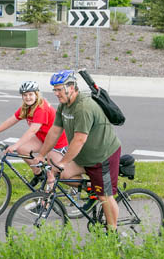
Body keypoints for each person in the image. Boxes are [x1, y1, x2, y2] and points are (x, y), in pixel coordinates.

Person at [36, 70, 122, 230]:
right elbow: (55, 131)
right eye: (54, 89)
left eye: (59, 89)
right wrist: (41, 155)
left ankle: (112, 234)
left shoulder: (83, 107)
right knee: (65, 174)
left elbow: (80, 139)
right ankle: (91, 191)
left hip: (102, 156)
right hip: (84, 156)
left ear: (71, 87)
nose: (56, 93)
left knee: (105, 196)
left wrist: (64, 161)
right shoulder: (64, 105)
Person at [0, 81, 68, 186]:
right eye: (25, 95)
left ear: (36, 95)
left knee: (52, 174)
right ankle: (38, 174)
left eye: (30, 94)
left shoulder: (41, 108)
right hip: (43, 138)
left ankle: (46, 201)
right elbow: (12, 120)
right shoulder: (27, 107)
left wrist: (15, 145)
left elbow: (32, 130)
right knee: (22, 149)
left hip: (56, 142)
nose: (28, 97)